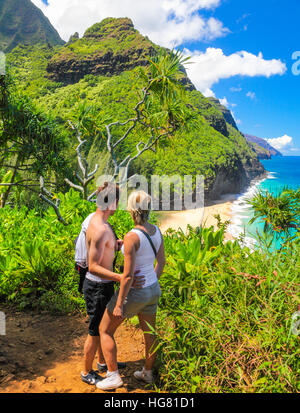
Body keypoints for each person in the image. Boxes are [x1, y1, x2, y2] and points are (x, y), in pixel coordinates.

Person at [97, 190, 166, 390]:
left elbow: (127, 276)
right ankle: (147, 372)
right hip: (153, 290)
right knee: (149, 333)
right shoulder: (156, 231)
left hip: (135, 293)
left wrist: (119, 304)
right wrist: (151, 281)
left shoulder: (131, 236)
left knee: (105, 330)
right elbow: (161, 262)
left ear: (131, 210)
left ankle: (113, 375)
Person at [81, 182, 144, 385]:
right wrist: (121, 277)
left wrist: (116, 245)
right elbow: (92, 266)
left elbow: (104, 250)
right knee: (94, 332)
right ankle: (85, 372)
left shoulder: (105, 223)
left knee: (102, 328)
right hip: (97, 286)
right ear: (111, 203)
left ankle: (102, 363)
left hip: (104, 284)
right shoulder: (99, 228)